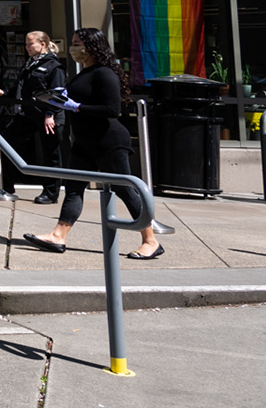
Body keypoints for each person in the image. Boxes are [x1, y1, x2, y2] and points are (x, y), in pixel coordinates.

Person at [22, 28, 163, 260]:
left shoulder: (104, 73)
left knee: (123, 189)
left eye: (78, 43)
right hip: (84, 141)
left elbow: (112, 109)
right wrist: (58, 97)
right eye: (73, 42)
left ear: (92, 46)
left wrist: (76, 107)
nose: (74, 47)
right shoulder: (83, 73)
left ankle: (151, 240)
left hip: (108, 141)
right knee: (74, 187)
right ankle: (59, 235)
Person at [4, 31, 66, 204]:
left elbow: (57, 93)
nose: (27, 48)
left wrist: (50, 114)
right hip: (29, 113)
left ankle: (50, 193)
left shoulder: (54, 66)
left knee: (51, 154)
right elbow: (22, 87)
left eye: (30, 44)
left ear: (42, 44)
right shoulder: (30, 64)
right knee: (6, 142)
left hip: (48, 115)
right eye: (26, 44)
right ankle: (7, 186)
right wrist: (6, 93)